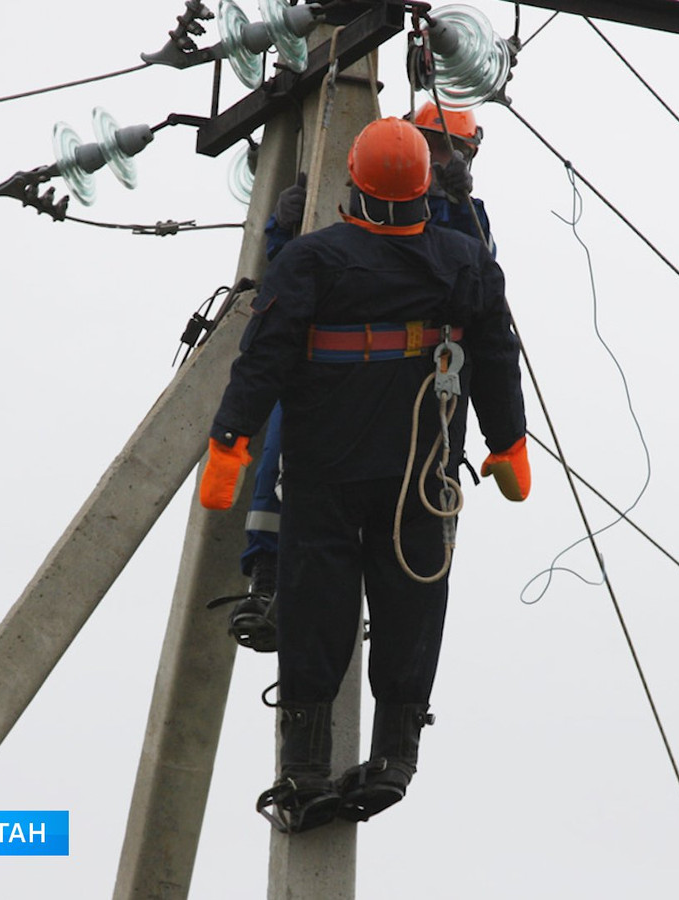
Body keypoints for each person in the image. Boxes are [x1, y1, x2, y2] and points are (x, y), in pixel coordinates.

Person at [198, 117, 531, 833]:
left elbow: (265, 357)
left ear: (354, 182)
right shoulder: (464, 258)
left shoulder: (312, 261)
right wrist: (508, 442)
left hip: (327, 469)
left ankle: (303, 768)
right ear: (423, 188)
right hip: (420, 468)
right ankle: (395, 756)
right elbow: (497, 353)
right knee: (412, 599)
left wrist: (231, 441)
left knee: (315, 606)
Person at [212, 101, 498, 655]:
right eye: (430, 145)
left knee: (411, 507)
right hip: (344, 373)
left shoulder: (463, 218)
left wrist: (458, 207)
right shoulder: (365, 196)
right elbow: (305, 274)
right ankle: (270, 578)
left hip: (417, 386)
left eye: (449, 150)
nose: (437, 159)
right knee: (285, 440)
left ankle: (385, 623)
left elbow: (480, 282)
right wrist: (285, 229)